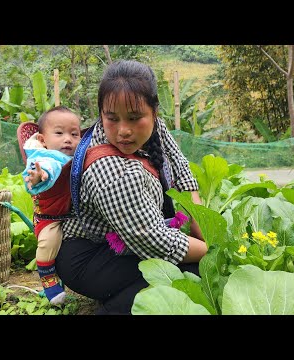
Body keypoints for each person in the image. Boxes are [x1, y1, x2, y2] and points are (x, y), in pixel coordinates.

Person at [55, 60, 208, 315]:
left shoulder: (153, 125)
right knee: (187, 273)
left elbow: (179, 164)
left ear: (154, 112)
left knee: (185, 270)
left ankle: (121, 295)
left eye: (134, 118)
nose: (124, 131)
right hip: (87, 258)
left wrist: (199, 221)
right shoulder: (113, 172)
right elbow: (154, 241)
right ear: (102, 112)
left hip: (122, 239)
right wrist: (211, 251)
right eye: (112, 119)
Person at [22, 106, 81, 305]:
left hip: (71, 213)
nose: (68, 139)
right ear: (42, 140)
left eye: (74, 134)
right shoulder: (43, 157)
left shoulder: (77, 156)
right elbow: (41, 171)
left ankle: (63, 275)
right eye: (59, 133)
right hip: (50, 217)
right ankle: (46, 276)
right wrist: (39, 178)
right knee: (49, 243)